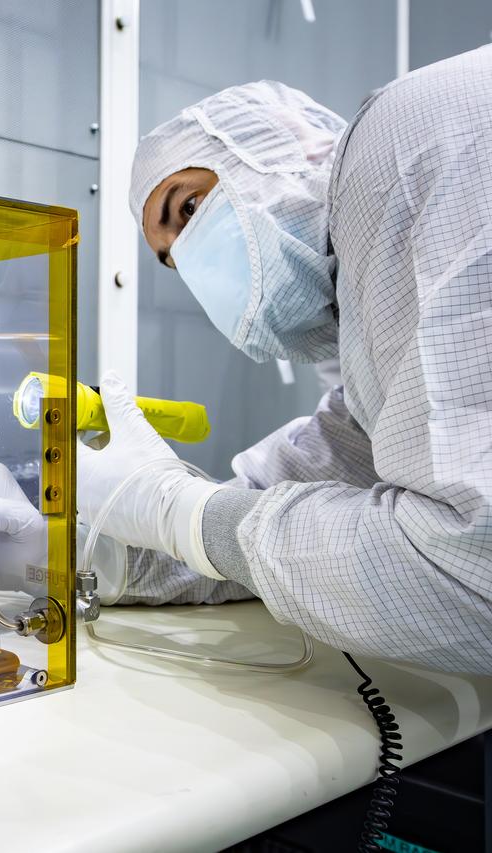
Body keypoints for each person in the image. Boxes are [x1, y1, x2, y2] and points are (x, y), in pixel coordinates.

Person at [75, 46, 492, 675]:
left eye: (188, 208)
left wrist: (177, 509)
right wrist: (90, 547)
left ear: (293, 142)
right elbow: (303, 489)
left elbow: (470, 574)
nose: (192, 261)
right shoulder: (373, 348)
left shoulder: (409, 137)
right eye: (172, 258)